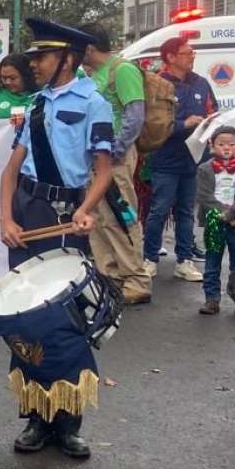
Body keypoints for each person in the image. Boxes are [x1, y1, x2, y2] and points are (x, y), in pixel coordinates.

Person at [0, 18, 114, 460]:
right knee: (25, 317)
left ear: (68, 58)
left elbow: (102, 172)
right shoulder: (35, 106)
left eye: (42, 57)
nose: (35, 65)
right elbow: (11, 170)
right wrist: (5, 218)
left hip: (67, 213)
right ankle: (35, 417)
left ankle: (68, 421)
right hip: (29, 211)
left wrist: (85, 211)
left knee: (66, 320)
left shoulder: (93, 104)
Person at [80, 23, 153, 305]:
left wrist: (118, 150)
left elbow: (135, 114)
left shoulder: (122, 70)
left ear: (89, 47)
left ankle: (136, 278)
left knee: (121, 215)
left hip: (115, 157)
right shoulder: (95, 74)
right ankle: (110, 276)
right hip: (99, 157)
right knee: (98, 219)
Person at [143, 37, 216, 282]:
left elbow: (212, 111)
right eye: (187, 53)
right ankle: (149, 258)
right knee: (159, 210)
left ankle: (184, 260)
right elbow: (151, 124)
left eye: (192, 52)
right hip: (165, 157)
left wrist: (210, 123)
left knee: (186, 211)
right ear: (170, 57)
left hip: (194, 158)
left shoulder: (201, 83)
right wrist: (183, 124)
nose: (192, 56)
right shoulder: (157, 84)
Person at [195, 126, 235, 317]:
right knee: (212, 262)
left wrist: (233, 215)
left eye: (231, 144)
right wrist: (223, 214)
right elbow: (204, 196)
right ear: (212, 147)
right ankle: (212, 299)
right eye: (221, 144)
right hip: (215, 222)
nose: (226, 148)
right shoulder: (204, 169)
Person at [0, 54, 36, 120]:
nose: (7, 82)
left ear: (26, 76)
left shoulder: (40, 95)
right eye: (4, 78)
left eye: (13, 78)